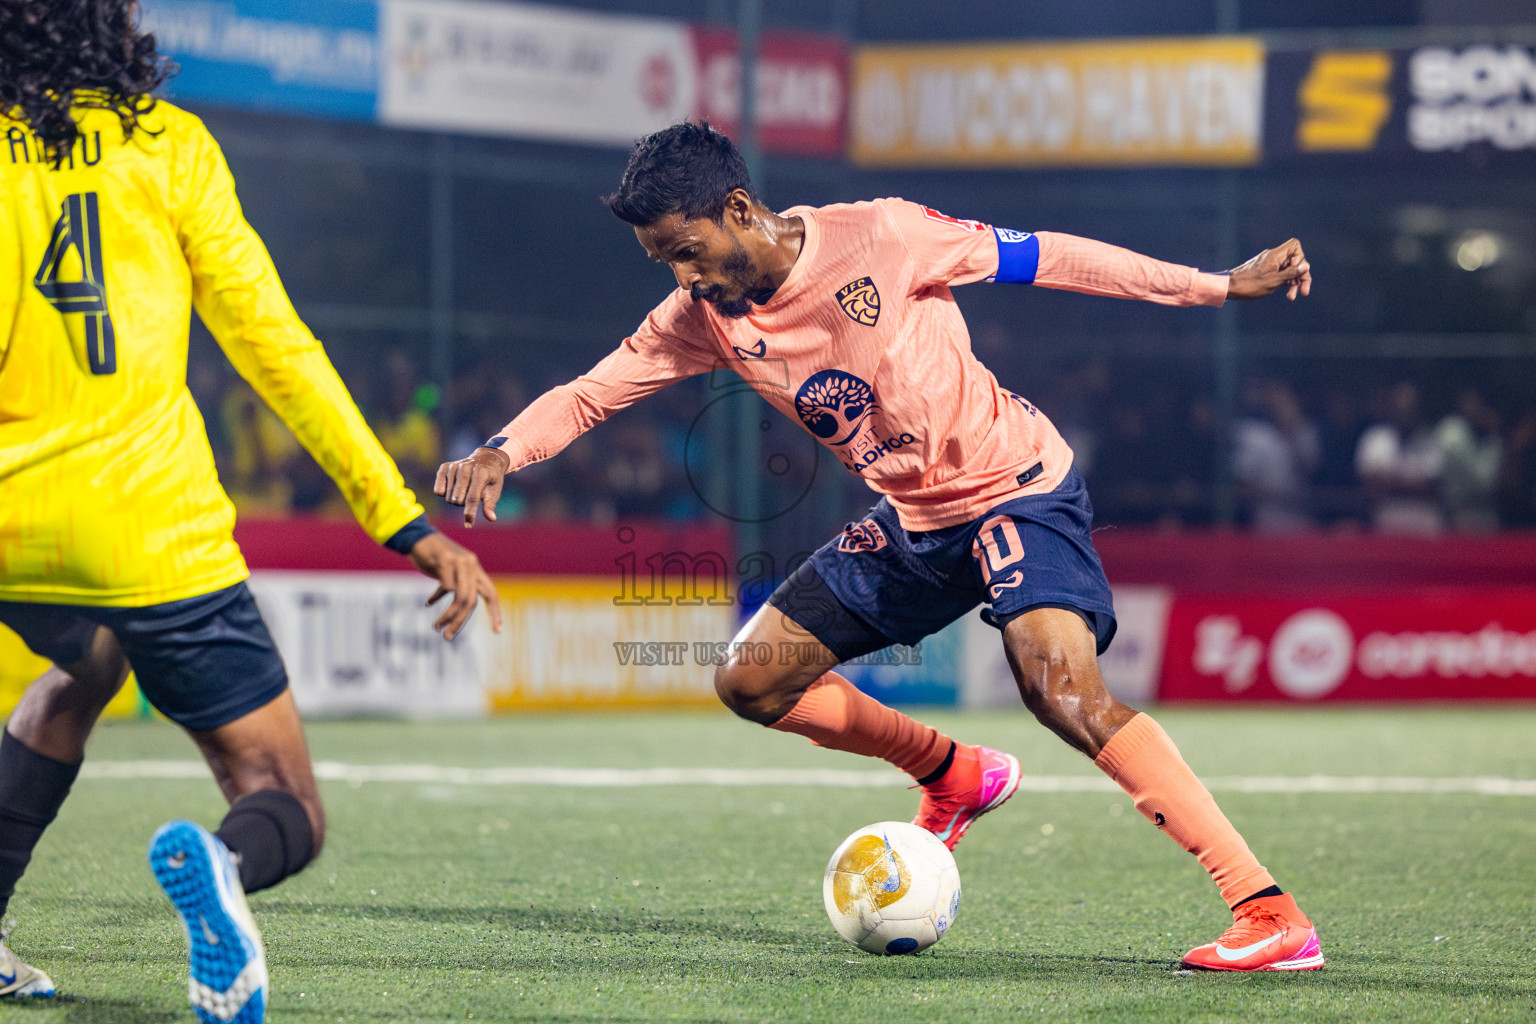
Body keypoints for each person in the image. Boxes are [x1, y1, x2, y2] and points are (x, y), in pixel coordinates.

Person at [437, 122, 1319, 972]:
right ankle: (955, 772)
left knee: (1062, 693)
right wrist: (503, 450)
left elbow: (1049, 256)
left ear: (738, 209)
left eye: (686, 249)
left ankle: (1266, 911)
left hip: (1018, 490)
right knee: (751, 681)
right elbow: (592, 393)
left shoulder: (886, 236)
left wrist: (1213, 286)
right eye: (665, 261)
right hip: (912, 523)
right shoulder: (699, 317)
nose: (683, 276)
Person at [0, 3, 502, 1019]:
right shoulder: (168, 144)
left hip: (12, 523)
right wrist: (399, 519)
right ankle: (226, 869)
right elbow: (280, 353)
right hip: (152, 532)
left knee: (87, 662)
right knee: (288, 802)